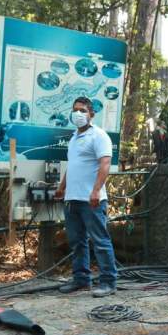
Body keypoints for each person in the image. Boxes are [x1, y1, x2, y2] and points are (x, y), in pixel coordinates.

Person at [55, 97, 117, 297]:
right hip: (72, 199)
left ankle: (108, 282)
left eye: (82, 110)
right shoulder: (73, 138)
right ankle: (81, 279)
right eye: (75, 110)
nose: (78, 114)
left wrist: (96, 190)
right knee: (77, 241)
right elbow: (72, 166)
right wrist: (62, 187)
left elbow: (105, 164)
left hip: (92, 200)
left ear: (91, 114)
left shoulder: (99, 136)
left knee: (100, 240)